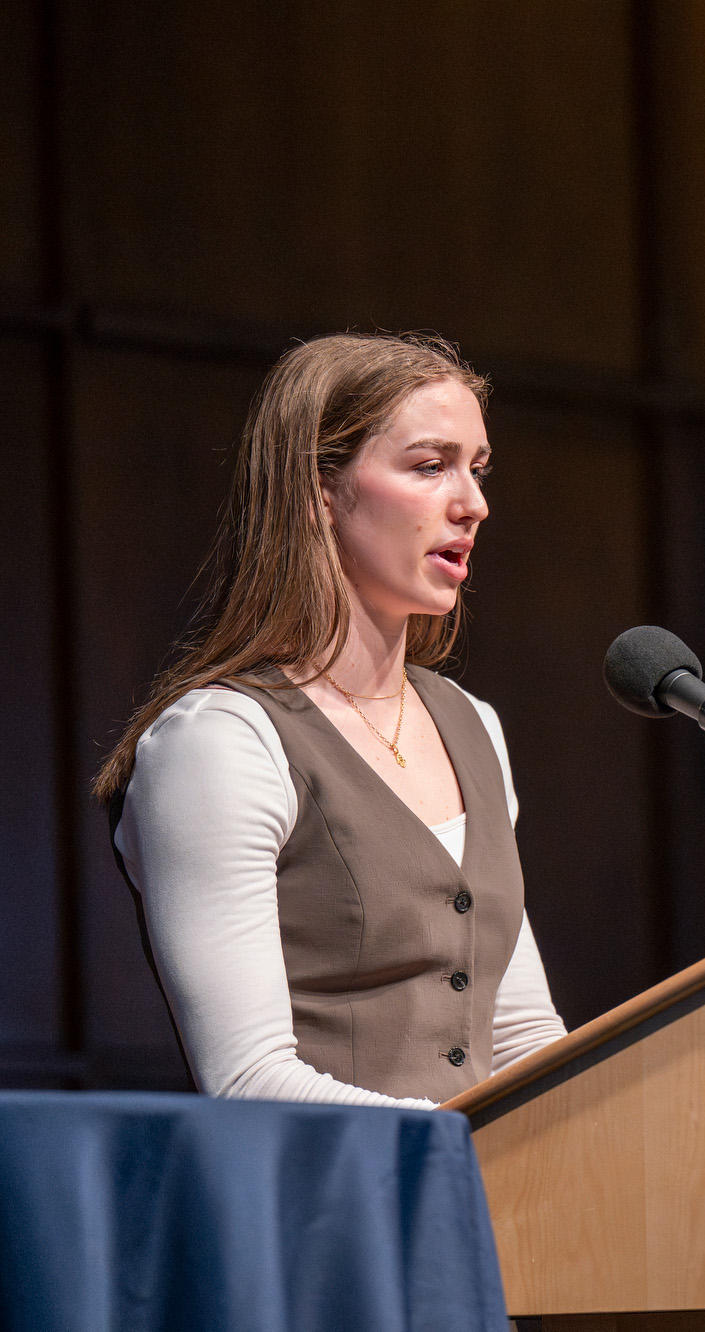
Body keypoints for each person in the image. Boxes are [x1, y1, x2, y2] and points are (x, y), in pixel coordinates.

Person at [94, 333, 566, 1109]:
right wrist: (455, 1144)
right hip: (324, 1211)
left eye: (477, 469)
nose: (473, 503)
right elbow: (248, 1080)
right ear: (318, 491)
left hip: (481, 1205)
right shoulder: (220, 740)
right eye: (429, 466)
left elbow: (521, 1036)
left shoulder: (473, 725)